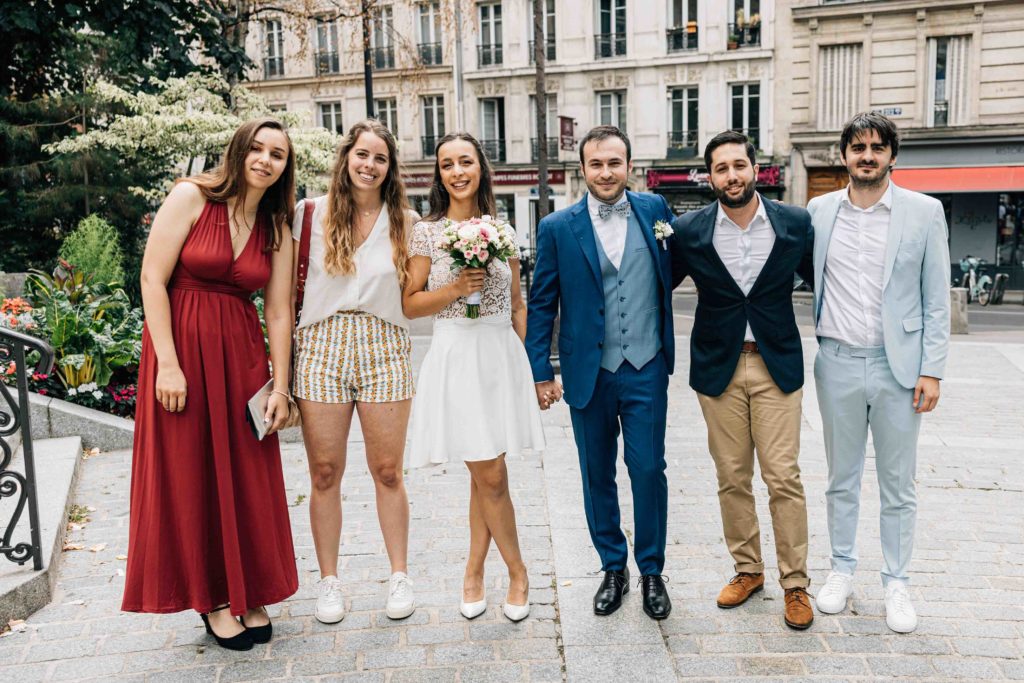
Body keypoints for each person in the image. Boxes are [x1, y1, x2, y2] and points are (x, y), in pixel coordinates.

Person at [122, 118, 298, 651]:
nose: (266, 160)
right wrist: (168, 366)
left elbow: (280, 311)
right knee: (191, 472)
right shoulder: (191, 197)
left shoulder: (278, 227)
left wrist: (281, 387)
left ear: (287, 167)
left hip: (242, 358)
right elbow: (152, 278)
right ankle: (214, 598)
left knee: (248, 475)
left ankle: (252, 588)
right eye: (259, 149)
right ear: (240, 150)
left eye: (279, 154)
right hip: (183, 354)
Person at [526, 126, 676, 620]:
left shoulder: (656, 211)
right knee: (596, 473)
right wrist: (540, 370)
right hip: (587, 370)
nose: (606, 172)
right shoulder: (556, 227)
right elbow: (542, 302)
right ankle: (613, 567)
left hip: (646, 365)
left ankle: (651, 569)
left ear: (628, 165)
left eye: (614, 163)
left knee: (648, 469)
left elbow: (674, 268)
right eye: (596, 164)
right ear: (583, 169)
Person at [808, 112, 950, 633]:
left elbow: (936, 297)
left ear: (892, 155)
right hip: (837, 363)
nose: (866, 156)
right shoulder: (819, 211)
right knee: (840, 479)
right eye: (857, 147)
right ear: (843, 155)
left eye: (876, 148)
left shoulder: (924, 211)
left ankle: (897, 582)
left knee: (898, 484)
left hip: (900, 369)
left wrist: (931, 370)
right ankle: (841, 569)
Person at [668, 130, 816, 630]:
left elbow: (830, 282)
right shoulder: (689, 230)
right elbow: (652, 284)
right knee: (731, 477)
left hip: (777, 365)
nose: (731, 176)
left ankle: (795, 584)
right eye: (720, 169)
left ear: (755, 169)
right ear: (709, 177)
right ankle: (748, 571)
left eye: (738, 165)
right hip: (719, 368)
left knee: (783, 477)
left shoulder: (795, 223)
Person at [403, 132, 544, 622]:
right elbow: (410, 302)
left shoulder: (501, 231)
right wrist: (456, 288)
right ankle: (518, 571)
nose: (457, 171)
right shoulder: (426, 231)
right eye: (447, 165)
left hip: (500, 354)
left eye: (466, 161)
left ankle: (474, 569)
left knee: (484, 476)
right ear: (438, 174)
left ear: (481, 168)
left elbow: (518, 305)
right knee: (490, 474)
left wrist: (537, 369)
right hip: (457, 355)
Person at [292, 120, 418, 624]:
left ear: (390, 169)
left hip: (385, 344)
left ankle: (399, 574)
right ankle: (329, 581)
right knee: (324, 473)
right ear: (346, 157)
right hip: (322, 344)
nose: (369, 165)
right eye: (361, 154)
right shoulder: (309, 216)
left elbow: (418, 297)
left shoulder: (405, 222)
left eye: (380, 159)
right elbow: (282, 297)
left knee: (387, 470)